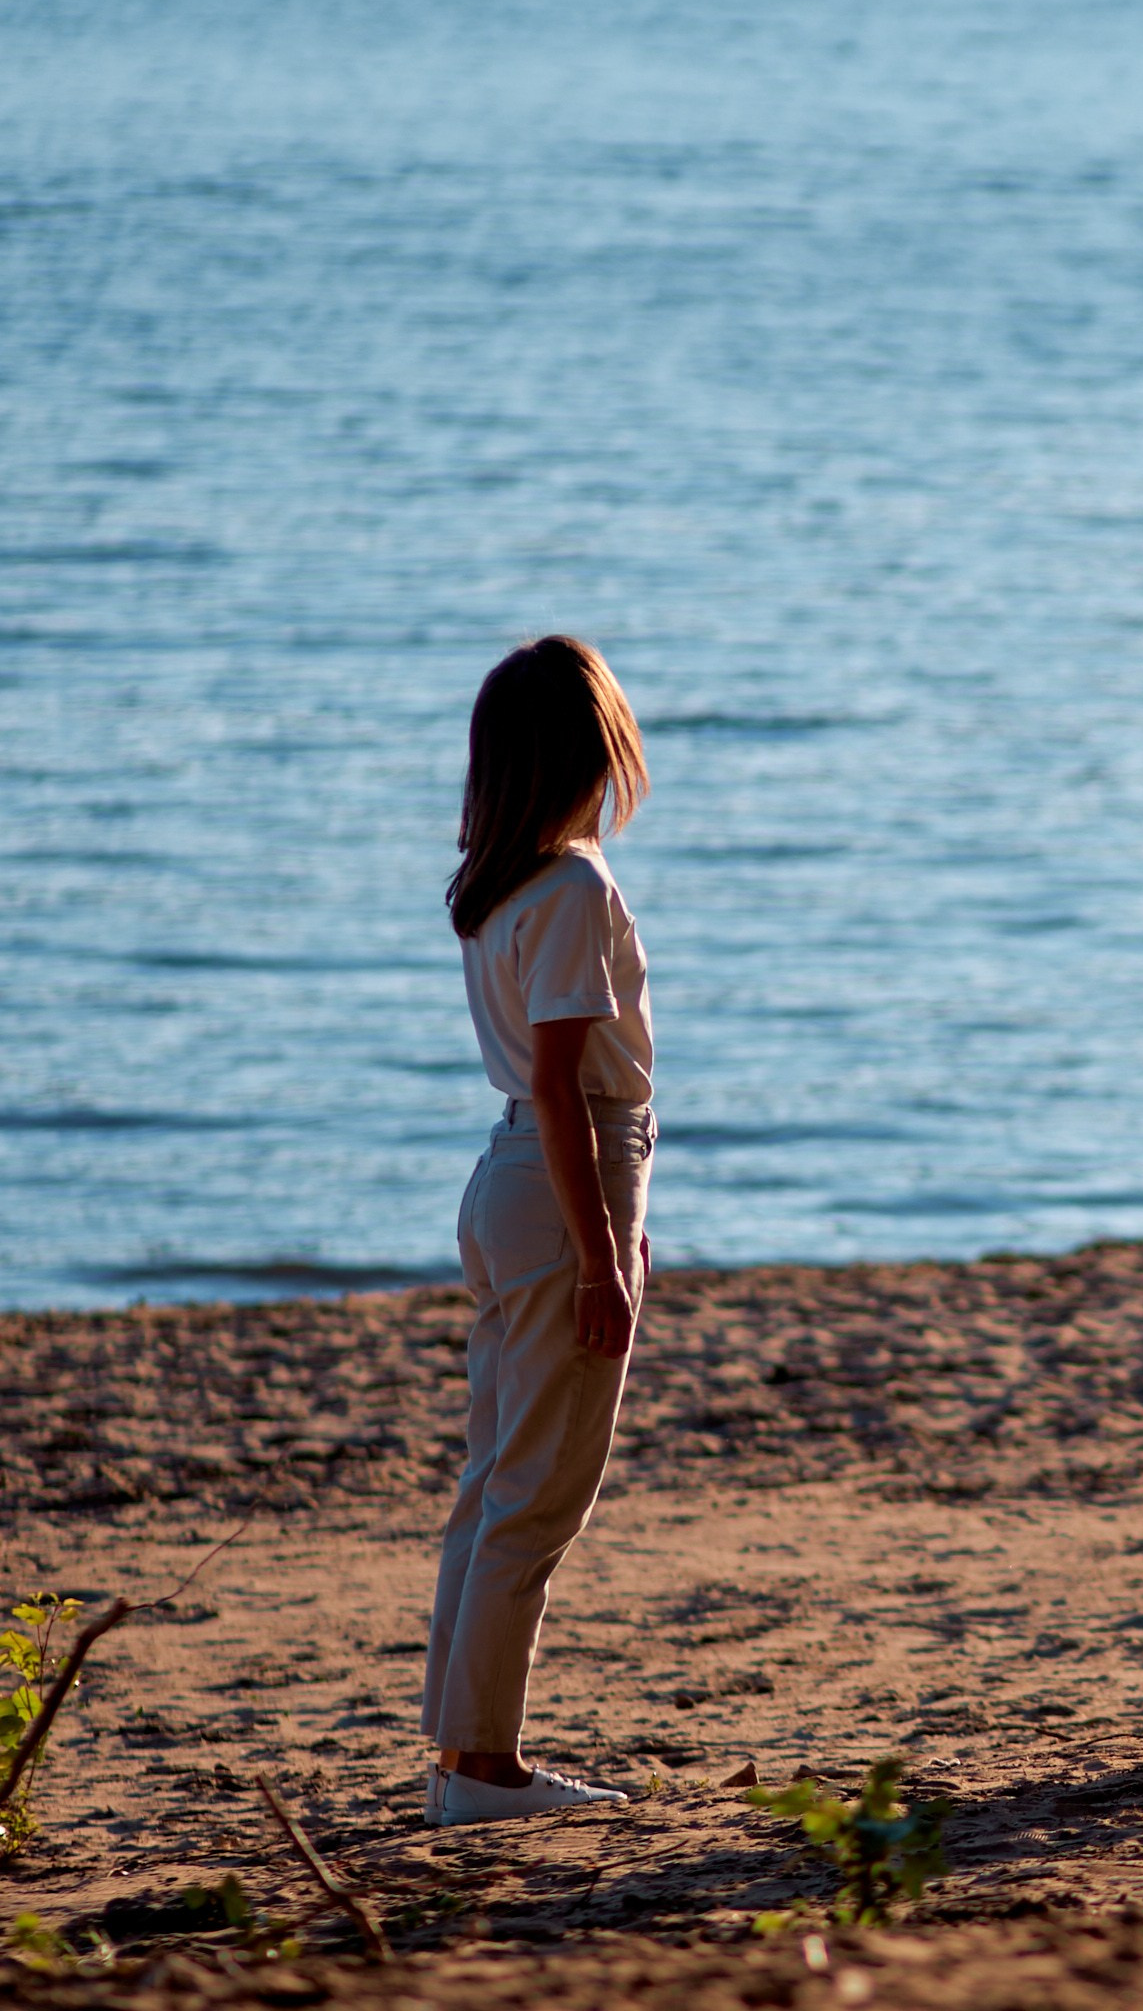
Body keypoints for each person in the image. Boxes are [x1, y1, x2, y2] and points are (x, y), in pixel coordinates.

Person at [423, 636, 656, 1828]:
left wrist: (614, 1233)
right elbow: (571, 1090)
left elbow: (551, 1095)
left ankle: (461, 1751)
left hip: (512, 1174)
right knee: (538, 1491)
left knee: (494, 1479)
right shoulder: (571, 889)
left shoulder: (497, 880)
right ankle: (484, 1769)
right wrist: (606, 1252)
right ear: (587, 751)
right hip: (559, 1169)